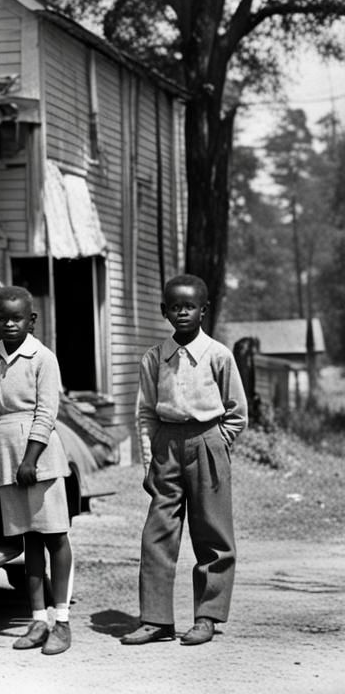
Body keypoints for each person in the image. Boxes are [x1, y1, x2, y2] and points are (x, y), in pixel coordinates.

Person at [121, 274, 248, 646]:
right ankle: (156, 620)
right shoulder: (155, 358)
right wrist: (150, 460)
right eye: (174, 307)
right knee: (157, 533)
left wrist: (217, 443)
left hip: (207, 441)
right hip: (167, 445)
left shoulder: (219, 356)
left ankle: (207, 616)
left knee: (212, 533)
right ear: (164, 311)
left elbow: (237, 411)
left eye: (189, 307)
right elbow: (145, 412)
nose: (181, 313)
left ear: (203, 311)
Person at [0, 286, 74, 656]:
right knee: (29, 540)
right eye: (3, 318)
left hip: (38, 456)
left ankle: (61, 622)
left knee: (54, 535)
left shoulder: (42, 358)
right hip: (6, 453)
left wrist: (31, 459)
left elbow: (47, 412)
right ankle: (37, 619)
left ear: (31, 320)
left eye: (17, 318)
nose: (10, 324)